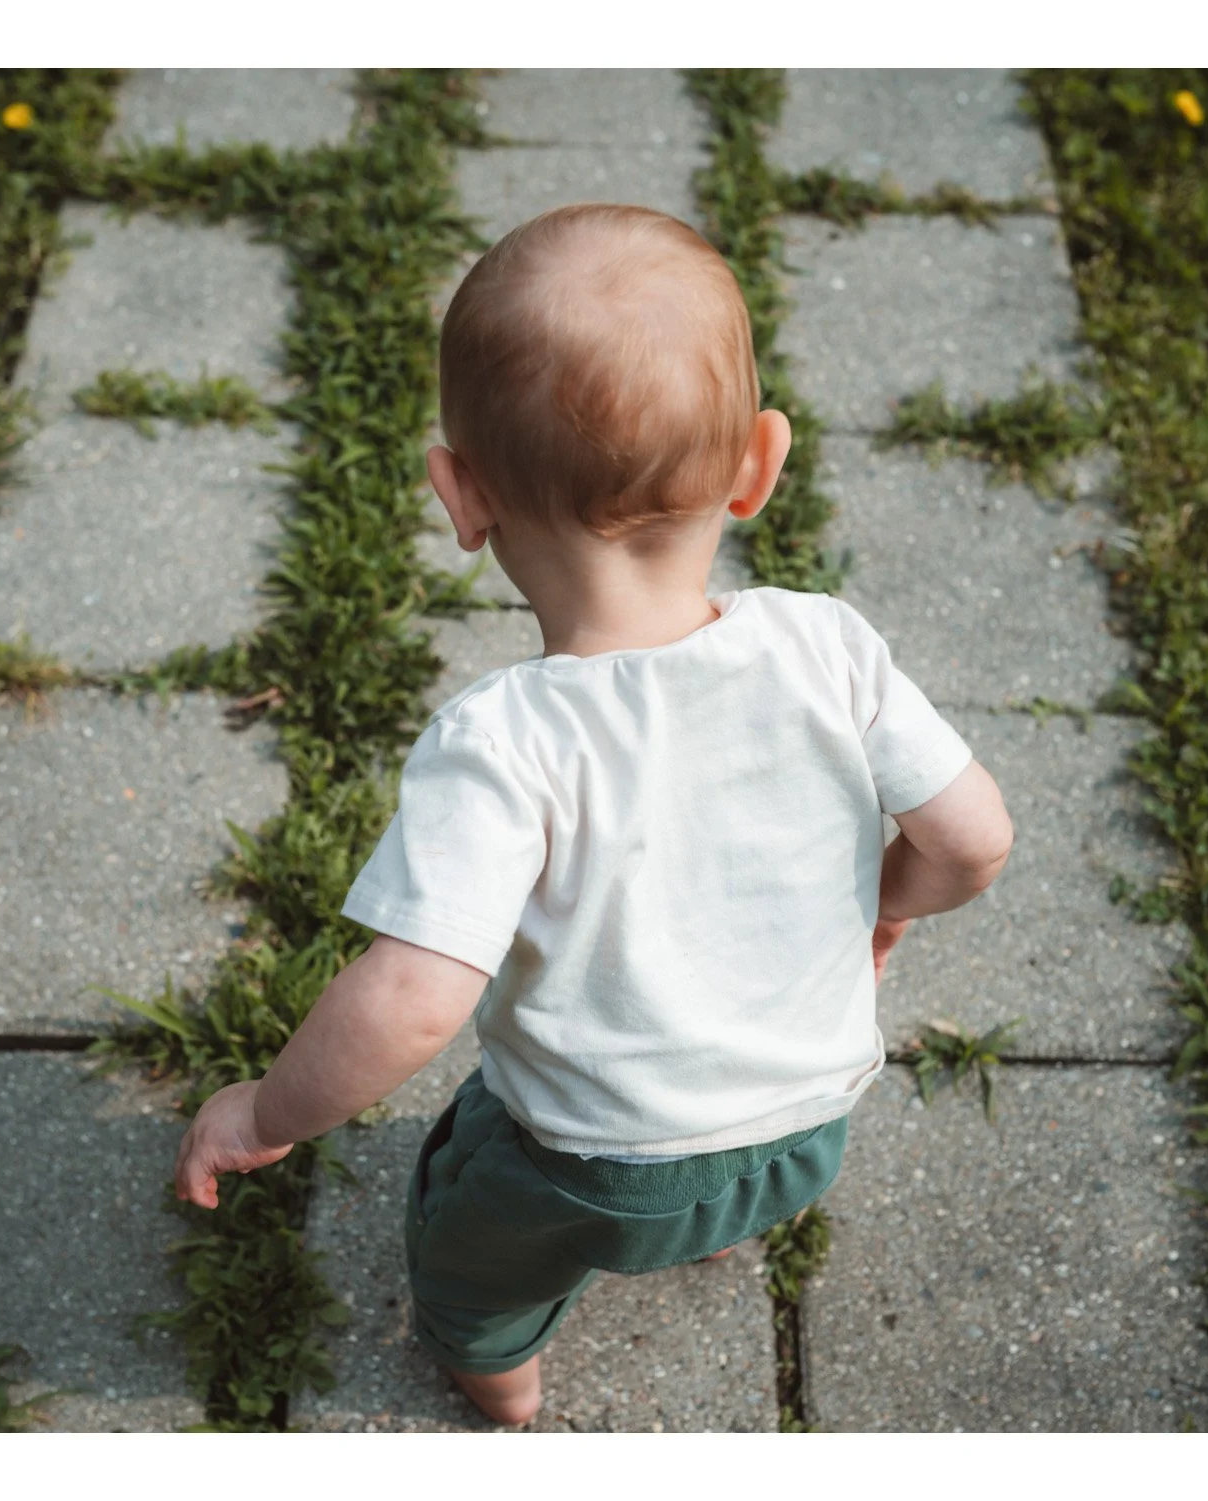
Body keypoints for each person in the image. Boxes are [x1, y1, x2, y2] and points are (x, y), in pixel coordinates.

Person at [173, 202, 1014, 1427]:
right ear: (758, 465)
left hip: (585, 1163)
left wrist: (262, 1110)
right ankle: (710, 1225)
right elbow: (975, 839)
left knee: (472, 1258)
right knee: (711, 1187)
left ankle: (499, 1379)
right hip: (806, 1126)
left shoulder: (503, 742)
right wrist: (884, 904)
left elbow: (412, 998)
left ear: (459, 499)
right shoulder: (828, 647)